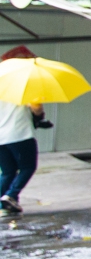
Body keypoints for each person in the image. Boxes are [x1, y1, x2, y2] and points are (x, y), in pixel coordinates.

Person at [0, 44, 52, 215]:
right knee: (28, 167)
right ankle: (11, 195)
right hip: (20, 135)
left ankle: (4, 203)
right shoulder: (25, 83)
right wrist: (39, 115)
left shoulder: (2, 80)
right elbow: (36, 107)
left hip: (1, 138)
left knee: (8, 172)